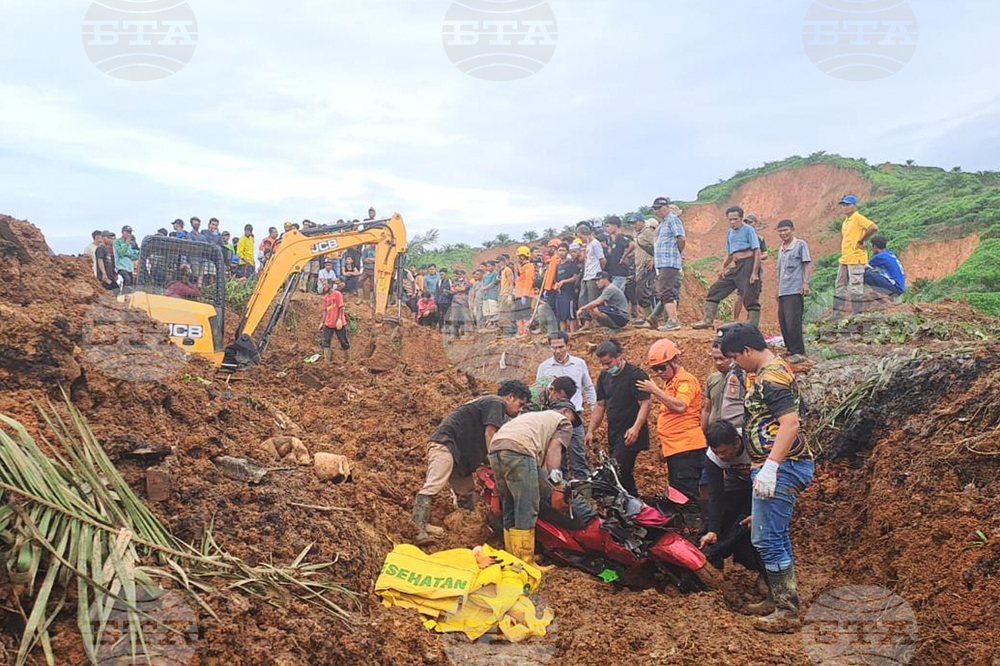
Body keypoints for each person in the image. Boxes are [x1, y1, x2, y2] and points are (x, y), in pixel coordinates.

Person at [719, 323, 813, 633]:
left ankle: (786, 611)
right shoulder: (768, 370)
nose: (735, 364)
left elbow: (790, 423)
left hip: (783, 466)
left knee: (768, 539)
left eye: (735, 357)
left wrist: (772, 467)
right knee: (774, 535)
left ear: (747, 350)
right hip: (776, 464)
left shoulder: (771, 377)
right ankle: (778, 598)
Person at [412, 380, 532, 544]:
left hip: (458, 453)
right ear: (510, 397)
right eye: (520, 404)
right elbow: (490, 434)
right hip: (446, 444)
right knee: (434, 484)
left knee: (466, 492)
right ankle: (417, 527)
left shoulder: (489, 404)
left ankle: (466, 530)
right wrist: (496, 462)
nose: (519, 410)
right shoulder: (496, 403)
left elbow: (479, 436)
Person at [487, 402, 579, 564]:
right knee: (526, 506)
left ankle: (513, 558)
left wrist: (496, 491)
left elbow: (540, 469)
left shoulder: (534, 419)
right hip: (519, 450)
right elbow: (554, 451)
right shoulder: (563, 422)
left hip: (496, 448)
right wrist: (558, 486)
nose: (573, 424)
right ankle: (525, 563)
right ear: (565, 412)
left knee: (510, 503)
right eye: (573, 418)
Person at [636, 339, 707, 529]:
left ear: (675, 361)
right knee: (678, 494)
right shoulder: (670, 382)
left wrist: (655, 390)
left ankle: (696, 535)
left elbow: (680, 406)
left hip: (687, 448)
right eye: (656, 370)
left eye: (662, 368)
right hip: (676, 449)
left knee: (687, 497)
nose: (659, 373)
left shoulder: (685, 381)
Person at [699, 420, 763, 591]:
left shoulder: (756, 445)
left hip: (762, 487)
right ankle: (715, 571)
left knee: (753, 529)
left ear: (737, 442)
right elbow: (716, 493)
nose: (721, 456)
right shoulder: (712, 457)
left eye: (725, 452)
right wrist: (713, 529)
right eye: (716, 452)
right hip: (734, 485)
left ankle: (763, 576)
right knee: (725, 523)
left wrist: (760, 513)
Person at [586, 339, 651, 497]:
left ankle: (631, 505)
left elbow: (645, 403)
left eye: (609, 363)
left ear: (620, 356)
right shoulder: (604, 377)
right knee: (623, 473)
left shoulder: (635, 375)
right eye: (603, 364)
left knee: (616, 469)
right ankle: (633, 506)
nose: (606, 367)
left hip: (631, 432)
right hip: (614, 432)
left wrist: (636, 428)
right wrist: (590, 430)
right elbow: (600, 405)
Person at [536, 331, 597, 479]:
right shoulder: (545, 367)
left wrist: (594, 409)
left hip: (575, 416)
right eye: (554, 347)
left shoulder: (579, 364)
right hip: (553, 419)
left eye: (561, 347)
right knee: (556, 456)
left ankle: (583, 489)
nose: (557, 351)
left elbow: (588, 388)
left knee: (578, 454)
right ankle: (559, 492)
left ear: (568, 345)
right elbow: (539, 392)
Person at [693, 206, 762, 329]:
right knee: (716, 289)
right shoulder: (730, 232)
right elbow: (730, 253)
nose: (732, 222)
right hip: (737, 265)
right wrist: (722, 267)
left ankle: (752, 324)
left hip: (749, 264)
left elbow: (757, 251)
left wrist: (754, 273)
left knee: (749, 294)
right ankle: (708, 320)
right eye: (730, 219)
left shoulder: (749, 230)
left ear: (741, 218)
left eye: (735, 219)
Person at [834, 194, 879, 318]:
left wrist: (861, 240)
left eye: (848, 205)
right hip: (845, 257)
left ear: (854, 205)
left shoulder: (858, 217)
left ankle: (856, 313)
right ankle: (837, 311)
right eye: (843, 205)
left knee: (855, 285)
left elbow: (873, 227)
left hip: (856, 257)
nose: (845, 207)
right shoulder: (846, 222)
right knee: (840, 284)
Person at [775, 220, 813, 363]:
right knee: (783, 320)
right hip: (783, 290)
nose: (783, 233)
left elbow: (806, 263)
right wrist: (778, 290)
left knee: (793, 321)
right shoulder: (781, 248)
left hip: (794, 288)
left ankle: (798, 351)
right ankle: (790, 349)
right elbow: (780, 271)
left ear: (792, 229)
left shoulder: (800, 245)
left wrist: (805, 282)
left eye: (785, 230)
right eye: (780, 231)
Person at [651, 197, 685, 331]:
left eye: (659, 208)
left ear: (666, 207)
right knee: (667, 290)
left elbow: (681, 238)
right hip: (664, 262)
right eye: (655, 209)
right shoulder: (664, 223)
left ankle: (673, 321)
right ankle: (672, 320)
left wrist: (677, 252)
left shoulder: (672, 219)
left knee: (665, 291)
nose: (657, 211)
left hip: (669, 261)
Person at [631, 214, 658, 327]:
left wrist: (654, 260)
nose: (633, 225)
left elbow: (657, 246)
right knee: (640, 293)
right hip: (639, 267)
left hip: (647, 267)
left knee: (643, 292)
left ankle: (651, 319)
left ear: (641, 221)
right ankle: (649, 318)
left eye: (635, 222)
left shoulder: (648, 232)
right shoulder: (636, 234)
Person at [701, 342, 734, 430]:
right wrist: (703, 432)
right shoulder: (712, 379)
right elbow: (707, 410)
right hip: (714, 433)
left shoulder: (742, 380)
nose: (718, 363)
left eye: (722, 358)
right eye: (715, 359)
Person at [865, 234, 906, 299]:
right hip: (899, 287)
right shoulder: (889, 253)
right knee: (874, 272)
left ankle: (879, 295)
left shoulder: (879, 256)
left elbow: (864, 267)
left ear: (874, 246)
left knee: (866, 274)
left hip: (895, 288)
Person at [576, 223, 606, 313]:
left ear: (585, 234)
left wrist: (599, 273)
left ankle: (597, 322)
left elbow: (603, 260)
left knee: (593, 300)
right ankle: (588, 322)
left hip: (594, 275)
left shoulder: (595, 243)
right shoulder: (588, 245)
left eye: (581, 237)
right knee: (583, 300)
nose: (581, 240)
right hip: (587, 275)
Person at [551, 243, 580, 332]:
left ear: (567, 251)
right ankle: (563, 335)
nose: (561, 253)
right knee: (561, 317)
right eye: (560, 250)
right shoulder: (558, 265)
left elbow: (575, 277)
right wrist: (556, 285)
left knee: (571, 316)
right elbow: (555, 280)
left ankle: (573, 336)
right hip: (560, 294)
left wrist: (564, 281)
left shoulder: (571, 264)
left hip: (569, 293)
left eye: (563, 250)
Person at [321, 281, 350, 363]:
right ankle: (326, 361)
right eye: (323, 285)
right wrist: (322, 322)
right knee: (326, 342)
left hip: (338, 323)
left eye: (325, 284)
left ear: (330, 285)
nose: (324, 286)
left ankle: (348, 361)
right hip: (328, 323)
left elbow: (341, 308)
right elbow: (325, 311)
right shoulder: (326, 297)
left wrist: (340, 319)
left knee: (343, 341)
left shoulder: (337, 294)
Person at [603, 216, 634, 291]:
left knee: (614, 295)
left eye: (608, 226)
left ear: (615, 226)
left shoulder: (621, 237)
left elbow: (632, 244)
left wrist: (624, 256)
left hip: (620, 273)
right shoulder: (613, 239)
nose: (607, 229)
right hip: (614, 273)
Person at [447, 269, 473, 339]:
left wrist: (457, 289)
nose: (460, 276)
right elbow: (452, 290)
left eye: (461, 274)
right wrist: (458, 289)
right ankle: (455, 334)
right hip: (455, 303)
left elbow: (464, 289)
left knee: (466, 318)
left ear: (464, 275)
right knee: (454, 318)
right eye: (459, 274)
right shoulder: (455, 283)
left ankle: (468, 333)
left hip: (464, 303)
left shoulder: (468, 283)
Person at [480, 260, 499, 329]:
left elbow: (493, 283)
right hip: (485, 296)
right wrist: (483, 289)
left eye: (489, 266)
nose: (487, 268)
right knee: (486, 311)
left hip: (492, 295)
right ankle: (488, 323)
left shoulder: (495, 274)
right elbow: (483, 284)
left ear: (493, 266)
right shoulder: (486, 276)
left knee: (493, 310)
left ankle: (494, 324)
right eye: (487, 266)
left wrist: (484, 288)